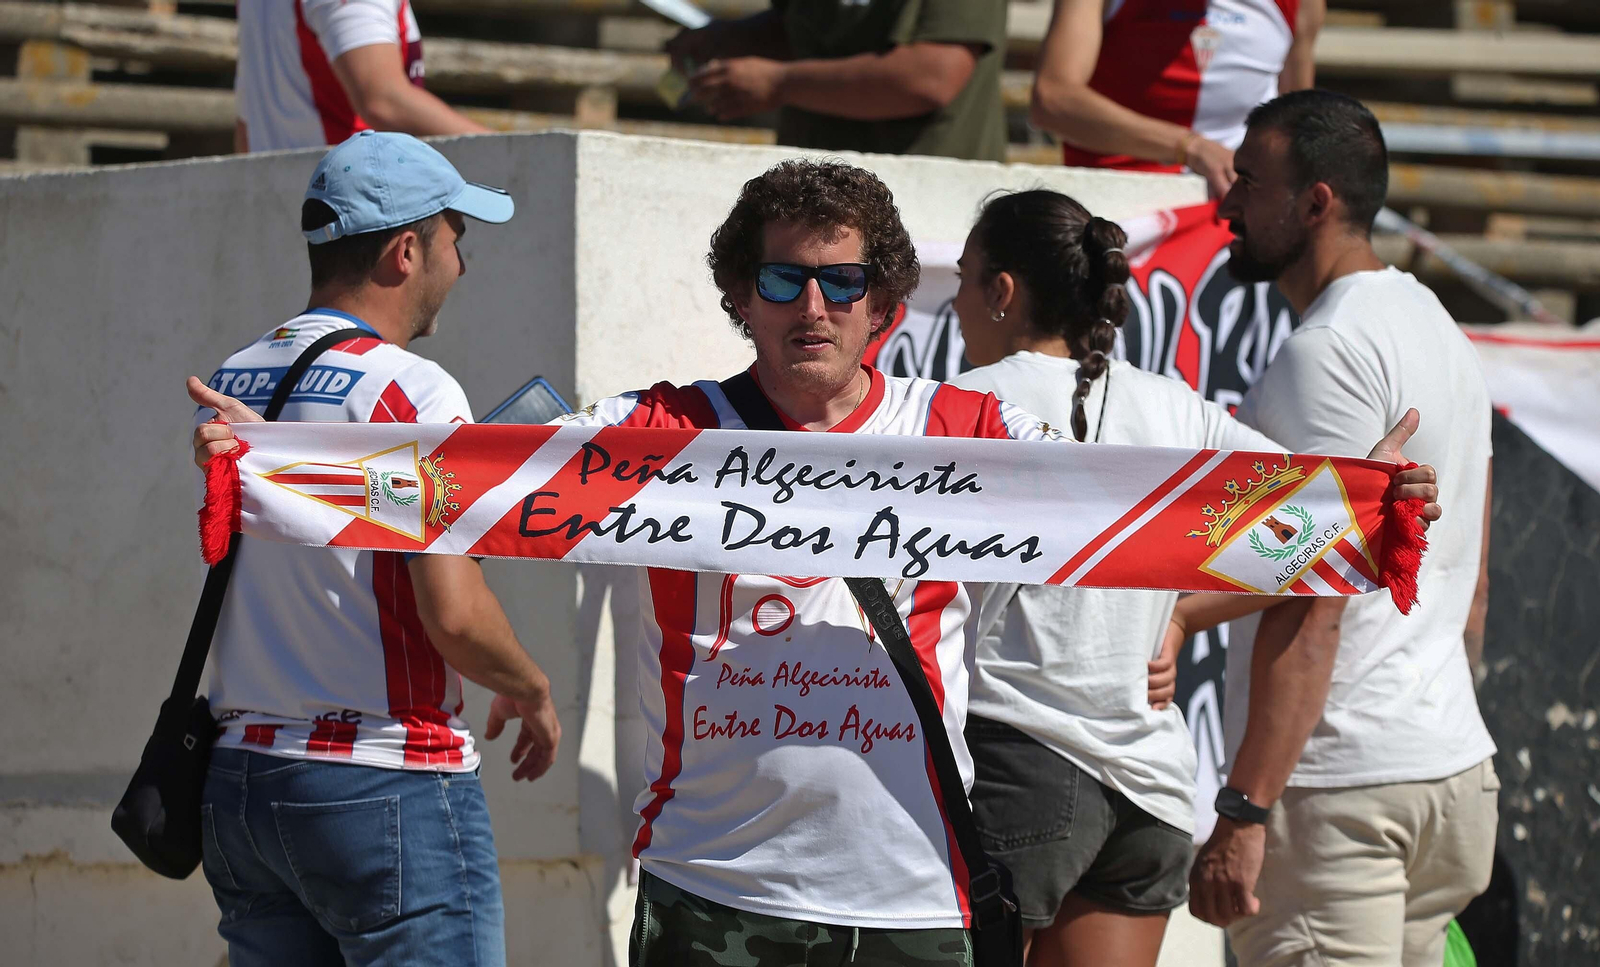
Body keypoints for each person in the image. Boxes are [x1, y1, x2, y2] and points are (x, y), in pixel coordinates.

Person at [192, 158, 1438, 967]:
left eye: (845, 282)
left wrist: (1361, 507)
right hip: (713, 894)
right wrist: (282, 459)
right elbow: (468, 479)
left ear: (888, 304)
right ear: (740, 293)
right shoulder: (654, 432)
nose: (814, 304)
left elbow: (1153, 511)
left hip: (918, 901)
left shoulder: (975, 432)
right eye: (783, 277)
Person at [946, 189, 1435, 967]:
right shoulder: (1177, 409)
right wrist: (1378, 497)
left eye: (963, 279)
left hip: (1020, 759)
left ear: (1002, 291)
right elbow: (1319, 532)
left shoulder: (962, 405)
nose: (955, 305)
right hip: (1152, 791)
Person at [185, 131, 559, 967]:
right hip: (386, 779)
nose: (463, 264)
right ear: (405, 250)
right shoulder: (411, 389)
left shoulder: (237, 374)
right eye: (457, 237)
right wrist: (531, 687)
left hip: (242, 778)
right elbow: (454, 616)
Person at [1177, 90, 1499, 967]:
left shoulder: (1327, 353)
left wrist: (1244, 807)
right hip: (1445, 773)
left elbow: (1312, 597)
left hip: (1341, 791)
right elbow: (1470, 585)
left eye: (1249, 182)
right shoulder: (1436, 326)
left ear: (1315, 202)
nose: (1227, 205)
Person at [1030, 0, 1324, 197]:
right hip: (1121, 203)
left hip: (1238, 210)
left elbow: (1295, 126)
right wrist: (1189, 147)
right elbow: (1052, 99)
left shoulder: (1303, 5)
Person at [665, 0, 1008, 161]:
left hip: (926, 200)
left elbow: (931, 74)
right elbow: (806, 26)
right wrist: (730, 38)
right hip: (814, 192)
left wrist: (778, 83)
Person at [234, 0, 489, 153]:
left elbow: (247, 127)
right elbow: (382, 100)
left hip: (285, 209)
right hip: (355, 216)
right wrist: (515, 151)